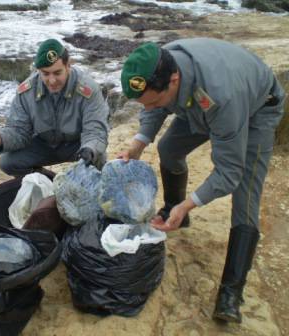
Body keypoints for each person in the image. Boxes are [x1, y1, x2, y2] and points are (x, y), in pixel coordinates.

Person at [118, 38, 285, 323]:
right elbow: (153, 106)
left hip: (255, 109)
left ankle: (231, 293)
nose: (152, 105)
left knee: (245, 196)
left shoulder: (222, 96)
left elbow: (229, 172)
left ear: (174, 80)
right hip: (196, 102)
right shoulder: (160, 65)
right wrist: (140, 141)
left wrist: (191, 203)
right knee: (169, 149)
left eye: (156, 99)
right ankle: (174, 213)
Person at [0, 38, 109, 176]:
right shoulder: (26, 91)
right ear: (38, 70)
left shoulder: (88, 89)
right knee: (7, 163)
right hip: (44, 145)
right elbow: (19, 131)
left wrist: (89, 149)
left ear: (68, 65)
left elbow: (96, 131)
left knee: (98, 158)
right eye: (45, 73)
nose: (52, 80)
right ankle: (50, 181)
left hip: (77, 146)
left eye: (57, 73)